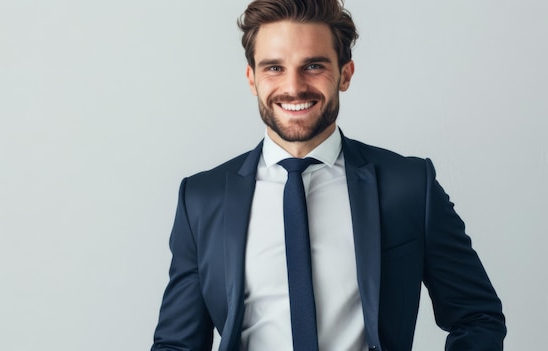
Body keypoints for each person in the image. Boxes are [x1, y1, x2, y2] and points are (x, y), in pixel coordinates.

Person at [151, 0, 506, 350]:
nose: (293, 87)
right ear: (252, 79)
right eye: (274, 68)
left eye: (313, 65)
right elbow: (177, 345)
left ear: (345, 74)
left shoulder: (410, 186)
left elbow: (477, 316)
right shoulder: (202, 199)